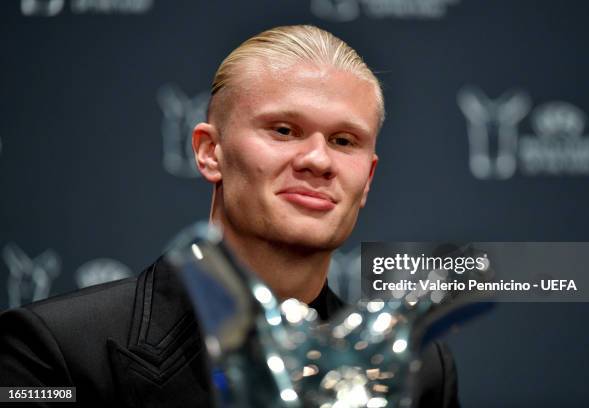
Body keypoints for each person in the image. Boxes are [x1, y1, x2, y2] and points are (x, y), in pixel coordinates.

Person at [0, 25, 459, 407]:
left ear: (368, 178)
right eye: (284, 130)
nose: (318, 160)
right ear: (209, 152)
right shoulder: (54, 350)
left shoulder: (417, 368)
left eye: (344, 141)